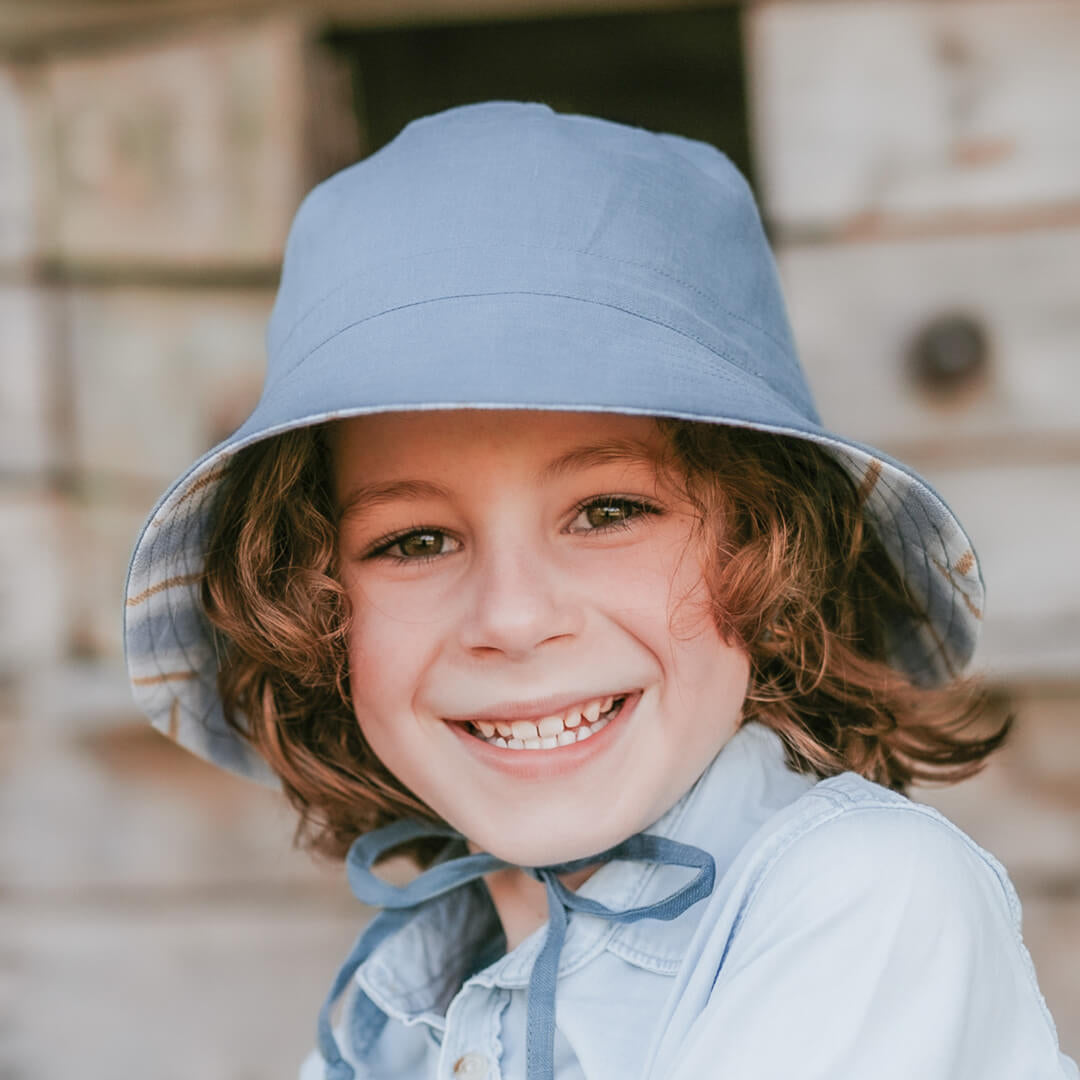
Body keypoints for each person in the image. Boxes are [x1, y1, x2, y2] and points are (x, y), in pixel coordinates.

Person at [123, 101, 1078, 1079]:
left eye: (610, 512)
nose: (514, 617)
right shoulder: (416, 994)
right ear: (317, 610)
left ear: (765, 542)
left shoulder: (869, 896)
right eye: (414, 540)